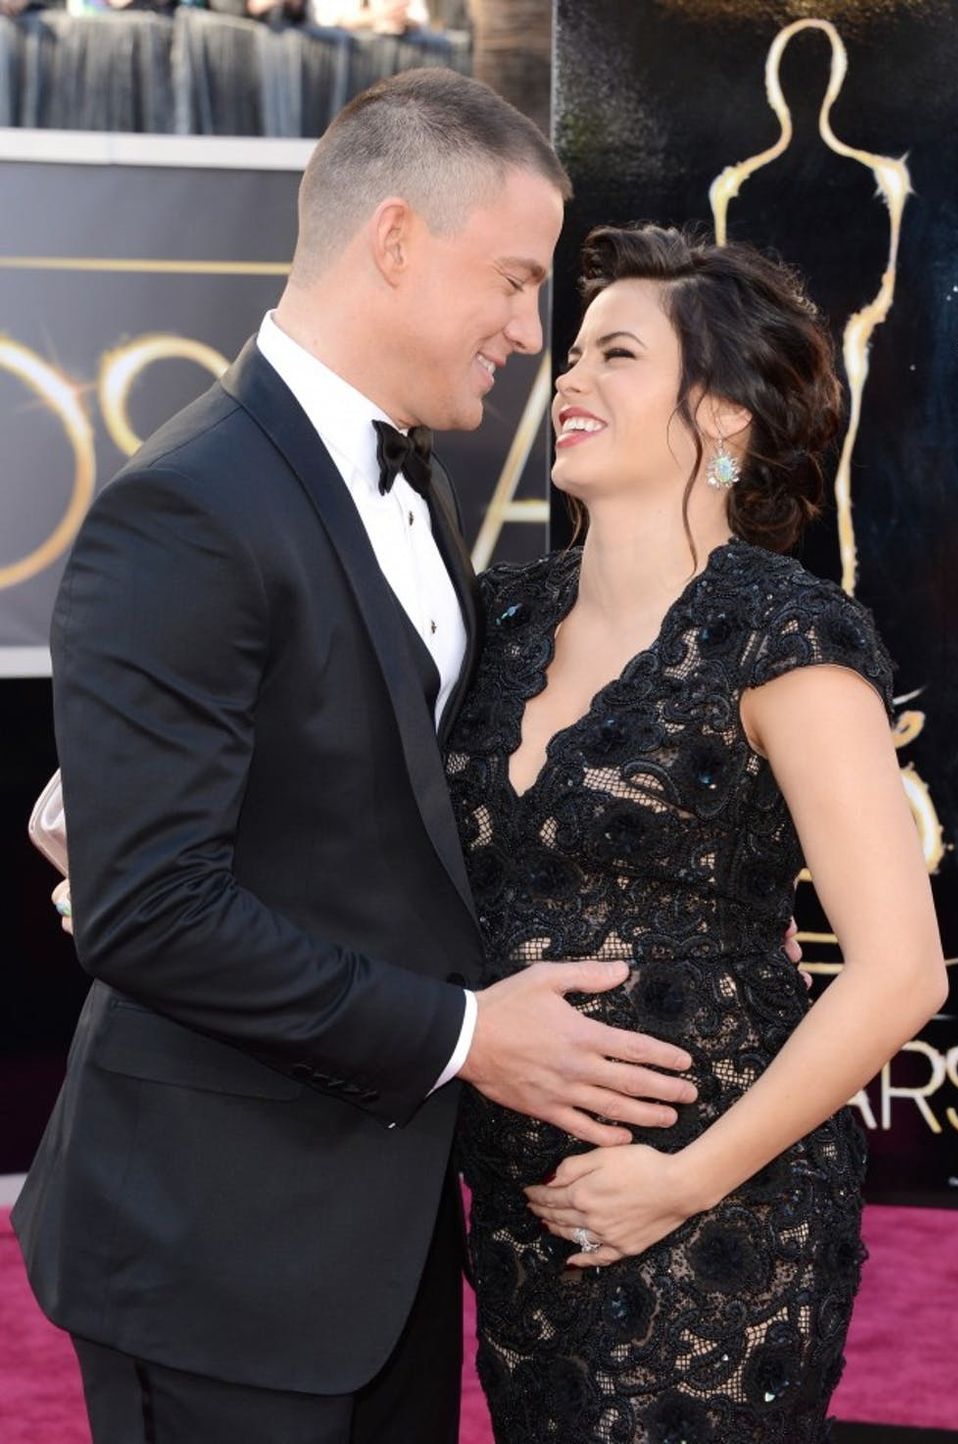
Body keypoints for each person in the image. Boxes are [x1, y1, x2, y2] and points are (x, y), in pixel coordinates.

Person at [12, 75, 704, 1444]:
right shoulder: (190, 505)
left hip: (379, 1247)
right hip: (217, 1248)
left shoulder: (411, 481)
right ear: (393, 240)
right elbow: (152, 909)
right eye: (512, 278)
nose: (531, 329)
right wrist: (467, 1038)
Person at [445, 223, 948, 1443]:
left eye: (616, 354)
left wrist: (678, 1181)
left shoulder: (784, 634)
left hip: (720, 1220)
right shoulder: (498, 616)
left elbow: (898, 973)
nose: (566, 379)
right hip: (518, 1209)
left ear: (720, 412)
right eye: (569, 352)